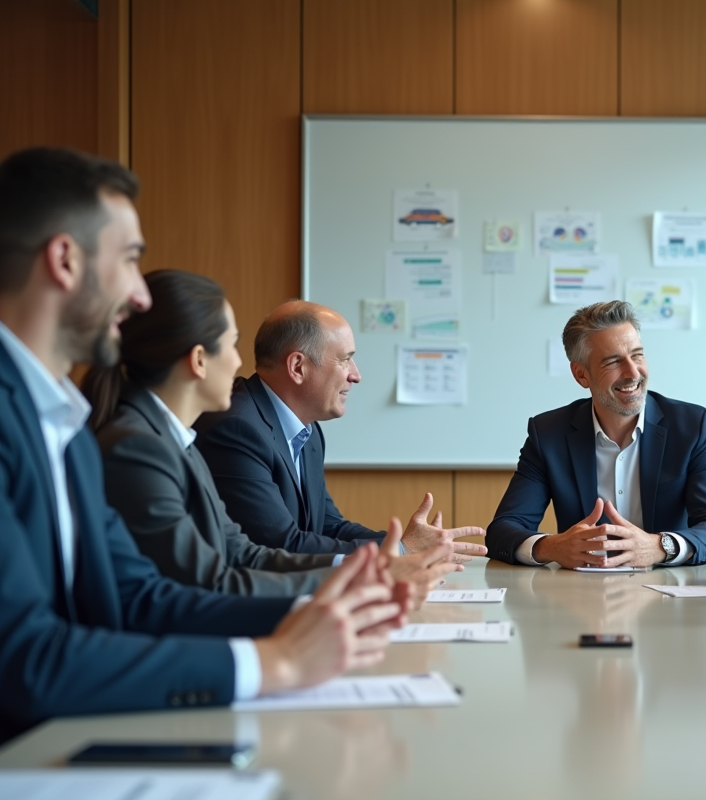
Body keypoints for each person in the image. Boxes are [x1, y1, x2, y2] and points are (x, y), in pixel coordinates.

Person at [0, 146, 413, 743]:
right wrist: (275, 662)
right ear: (64, 261)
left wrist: (338, 601)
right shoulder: (80, 429)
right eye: (129, 260)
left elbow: (138, 597)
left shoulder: (64, 424)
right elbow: (26, 658)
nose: (139, 296)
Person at [85, 269, 457, 599]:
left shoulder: (179, 443)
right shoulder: (150, 445)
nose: (238, 362)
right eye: (231, 345)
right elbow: (216, 577)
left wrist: (385, 560)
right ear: (199, 360)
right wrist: (373, 572)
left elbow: (243, 552)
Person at [192, 299, 486, 559]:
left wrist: (408, 545)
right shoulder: (236, 429)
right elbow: (279, 544)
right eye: (345, 359)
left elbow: (329, 526)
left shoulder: (308, 433)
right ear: (297, 367)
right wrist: (401, 550)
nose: (356, 375)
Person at [486, 300, 706, 568]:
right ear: (581, 375)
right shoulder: (548, 434)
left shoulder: (692, 427)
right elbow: (503, 530)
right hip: (581, 595)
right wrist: (552, 547)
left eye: (637, 355)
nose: (633, 372)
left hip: (669, 591)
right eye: (613, 362)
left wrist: (660, 546)